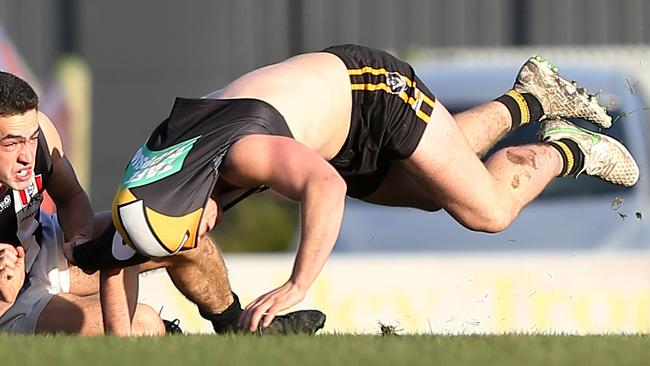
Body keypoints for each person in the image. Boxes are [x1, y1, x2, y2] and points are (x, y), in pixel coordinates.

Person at [74, 44, 639, 333]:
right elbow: (120, 257)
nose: (196, 242)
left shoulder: (243, 155)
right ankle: (530, 99)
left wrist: (297, 285)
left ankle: (566, 148)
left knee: (485, 210)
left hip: (369, 92)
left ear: (194, 205)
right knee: (439, 183)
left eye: (190, 235)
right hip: (330, 129)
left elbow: (324, 185)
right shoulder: (151, 187)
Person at [0, 71, 166, 335]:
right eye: (11, 144)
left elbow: (72, 197)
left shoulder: (42, 131)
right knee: (146, 324)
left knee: (167, 231)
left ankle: (234, 323)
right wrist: (4, 294)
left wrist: (78, 238)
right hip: (17, 298)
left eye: (30, 139)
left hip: (45, 248)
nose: (26, 156)